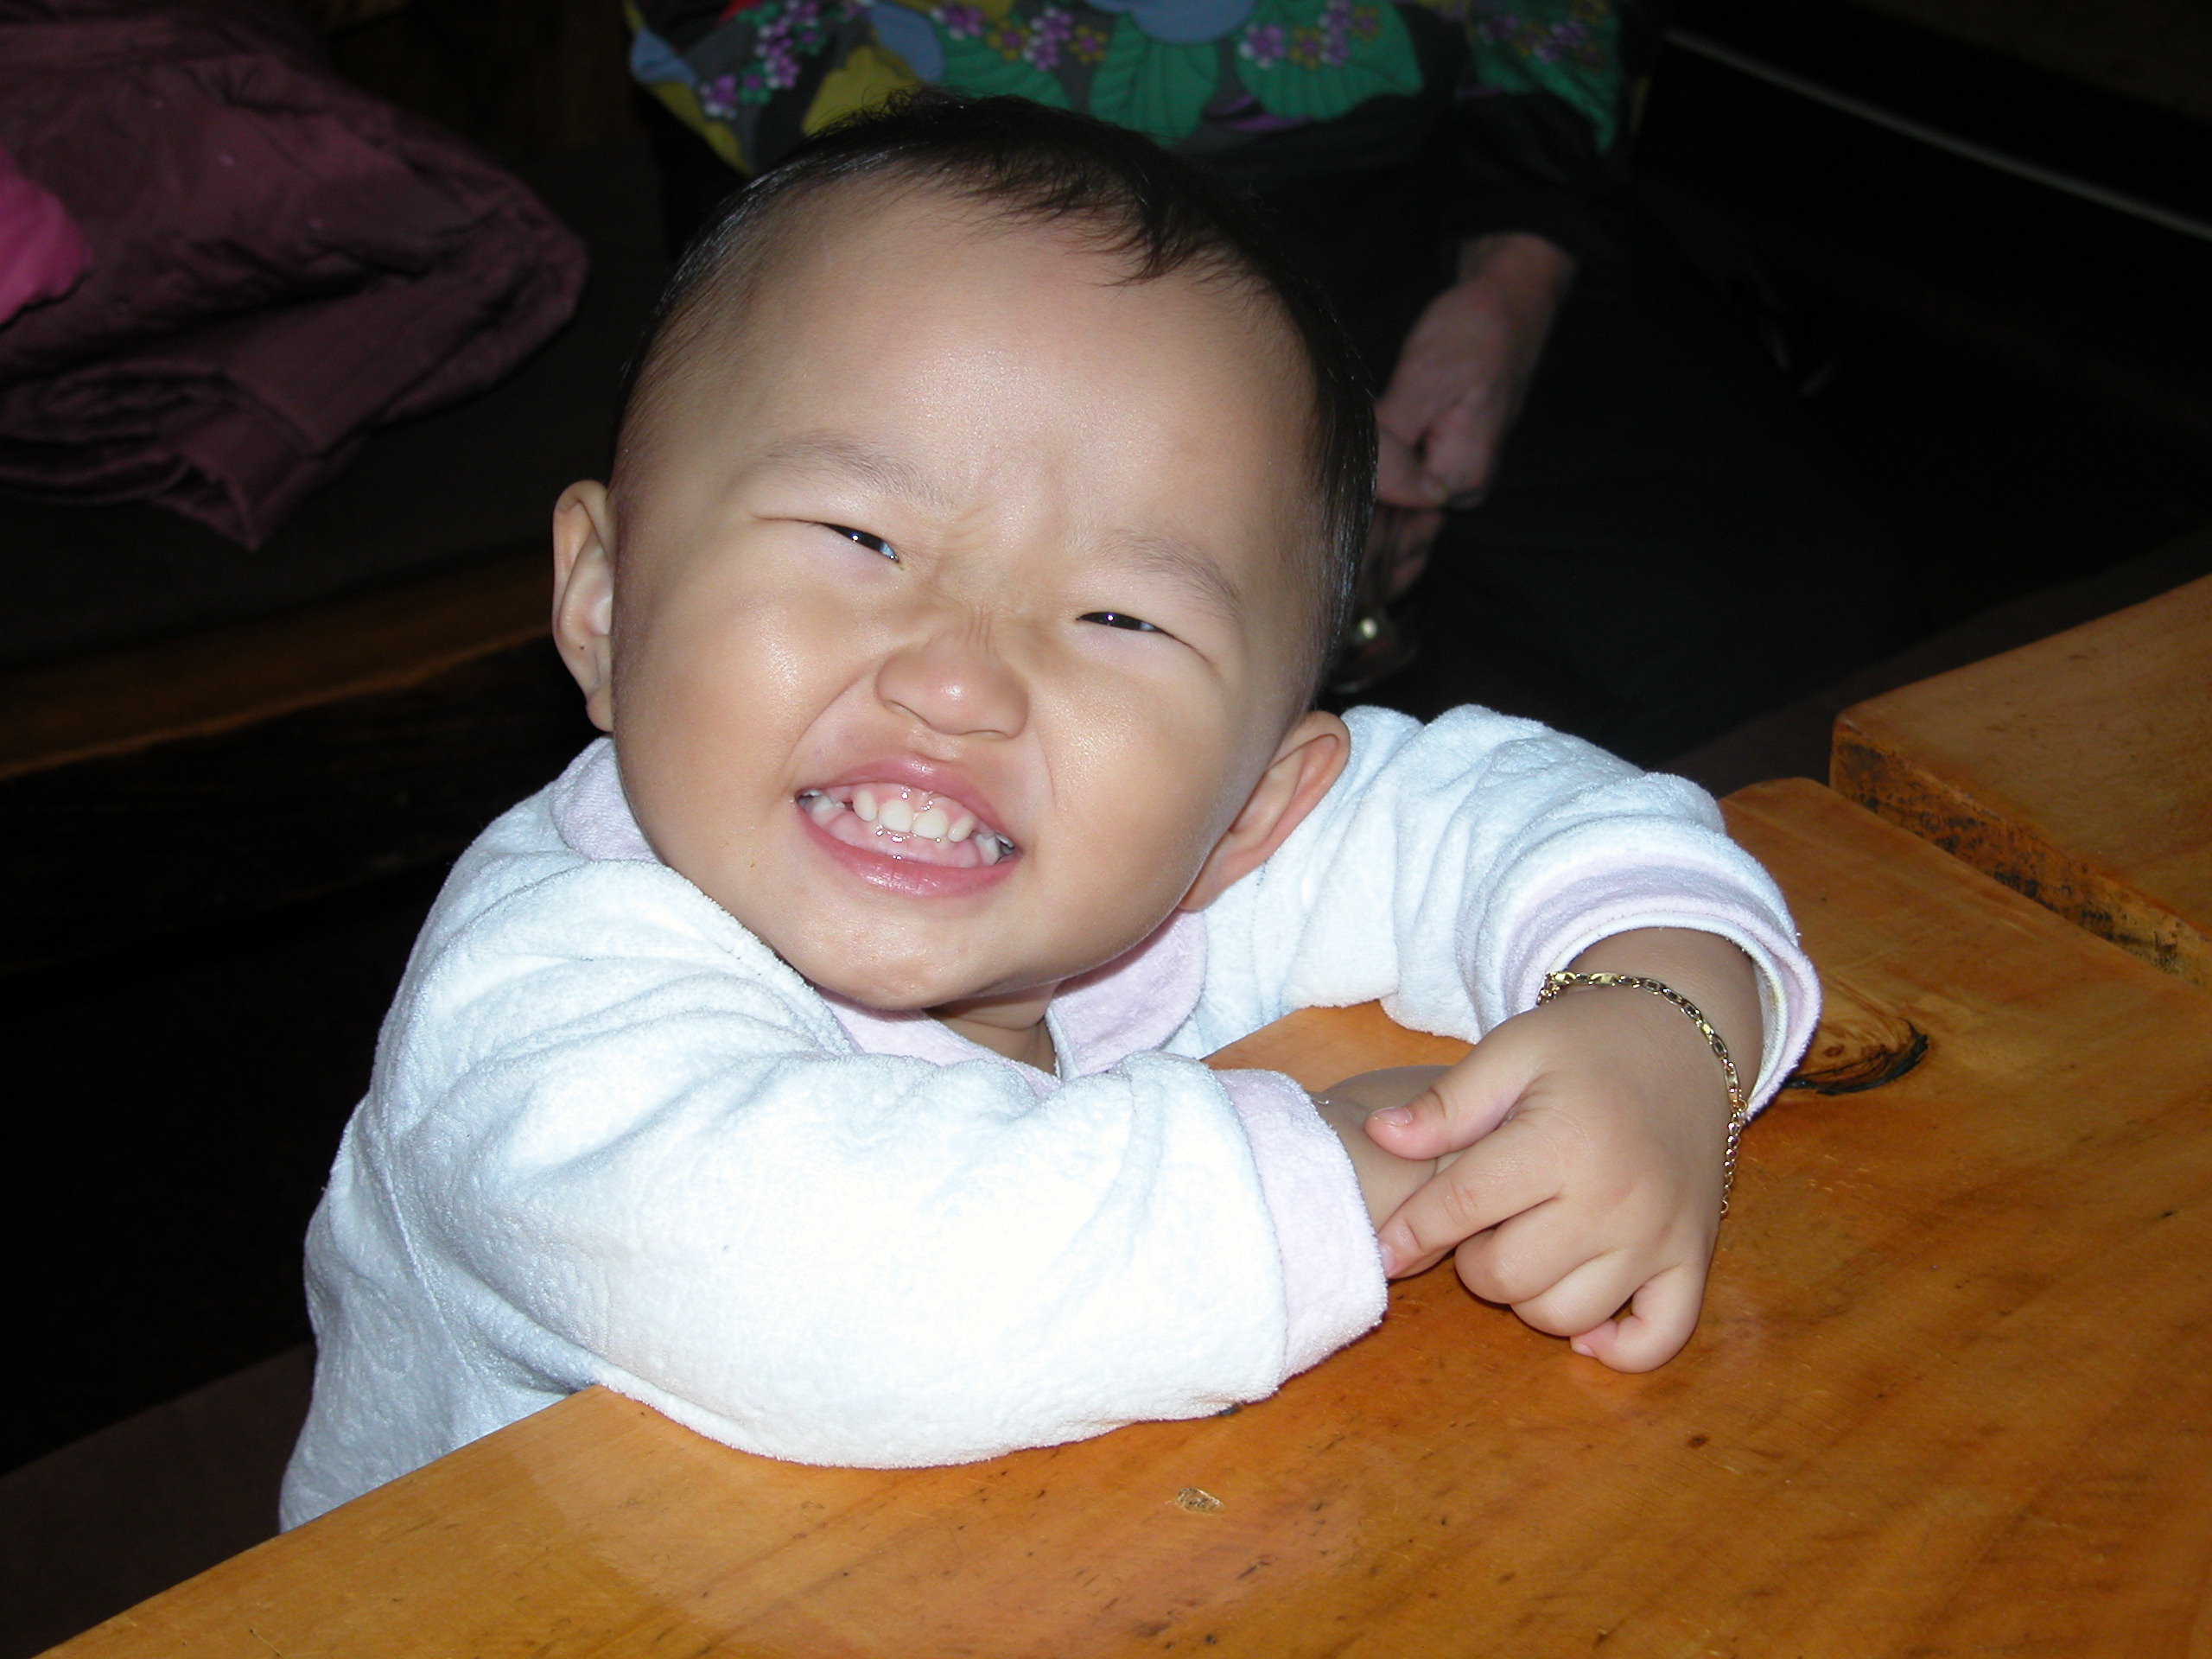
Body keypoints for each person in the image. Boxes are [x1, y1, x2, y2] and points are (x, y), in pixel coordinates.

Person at [279, 96, 1818, 1529]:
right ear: (608, 602)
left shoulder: (1168, 864)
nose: (959, 680)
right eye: (861, 535)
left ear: (1255, 808)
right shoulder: (534, 1004)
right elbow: (814, 1283)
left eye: (1118, 620)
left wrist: (1657, 1012)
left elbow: (1487, 811)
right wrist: (1340, 1172)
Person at [626, 0, 1910, 763]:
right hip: (936, 188)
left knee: (1805, 607)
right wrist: (1291, 447)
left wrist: (1515, 278)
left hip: (1413, 173)